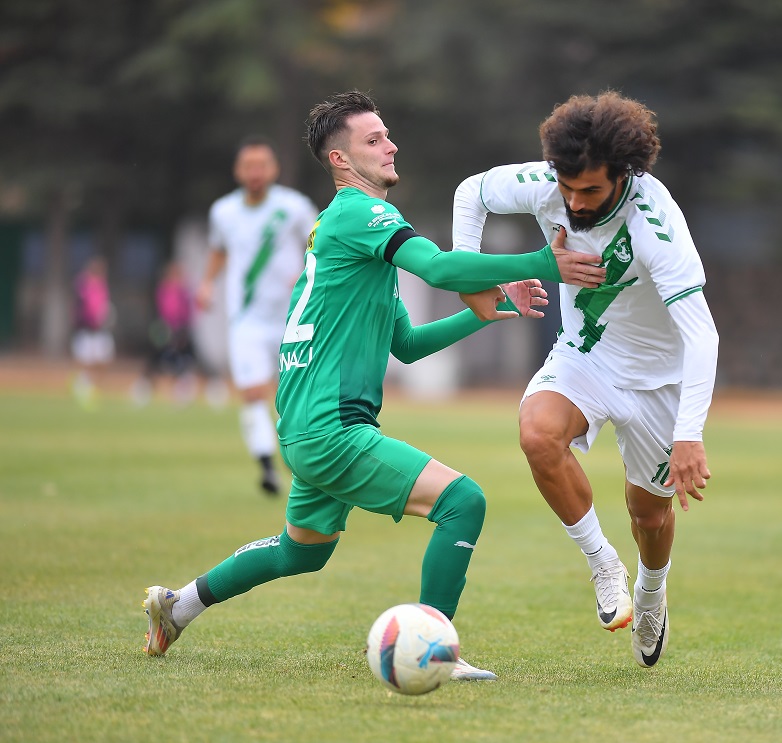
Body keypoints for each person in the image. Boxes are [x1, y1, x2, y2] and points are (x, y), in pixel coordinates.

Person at [142, 90, 607, 681]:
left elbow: (405, 345)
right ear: (340, 161)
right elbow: (439, 268)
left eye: (387, 135)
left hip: (312, 422)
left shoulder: (352, 237)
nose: (391, 146)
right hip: (332, 425)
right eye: (373, 139)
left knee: (302, 551)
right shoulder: (362, 213)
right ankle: (437, 648)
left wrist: (487, 311)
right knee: (463, 502)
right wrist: (541, 262)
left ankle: (176, 606)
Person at [451, 91, 720, 668]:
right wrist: (469, 276)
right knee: (536, 433)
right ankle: (602, 563)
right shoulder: (548, 183)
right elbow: (470, 191)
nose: (573, 202)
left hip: (658, 381)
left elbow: (703, 336)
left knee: (649, 515)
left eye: (590, 191)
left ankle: (650, 593)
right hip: (585, 356)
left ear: (624, 176)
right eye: (566, 187)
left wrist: (689, 434)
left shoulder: (656, 223)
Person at [195, 136, 319, 496]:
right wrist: (206, 284)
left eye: (261, 165)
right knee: (252, 392)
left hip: (291, 318)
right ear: (238, 171)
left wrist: (312, 275)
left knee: (293, 396)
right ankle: (266, 466)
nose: (255, 173)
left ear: (274, 169)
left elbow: (319, 243)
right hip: (245, 320)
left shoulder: (294, 207)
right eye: (248, 166)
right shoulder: (223, 212)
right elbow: (219, 251)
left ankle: (300, 464)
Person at [131, 261, 198, 406]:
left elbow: (187, 312)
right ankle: (144, 388)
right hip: (164, 331)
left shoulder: (184, 291)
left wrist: (184, 329)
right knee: (156, 361)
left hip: (180, 331)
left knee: (183, 362)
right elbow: (162, 310)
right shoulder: (163, 290)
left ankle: (180, 392)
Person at [70, 255, 115, 409]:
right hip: (86, 329)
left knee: (104, 360)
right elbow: (83, 308)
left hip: (100, 330)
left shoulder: (102, 286)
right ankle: (83, 387)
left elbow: (103, 306)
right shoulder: (83, 285)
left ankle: (89, 386)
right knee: (86, 361)